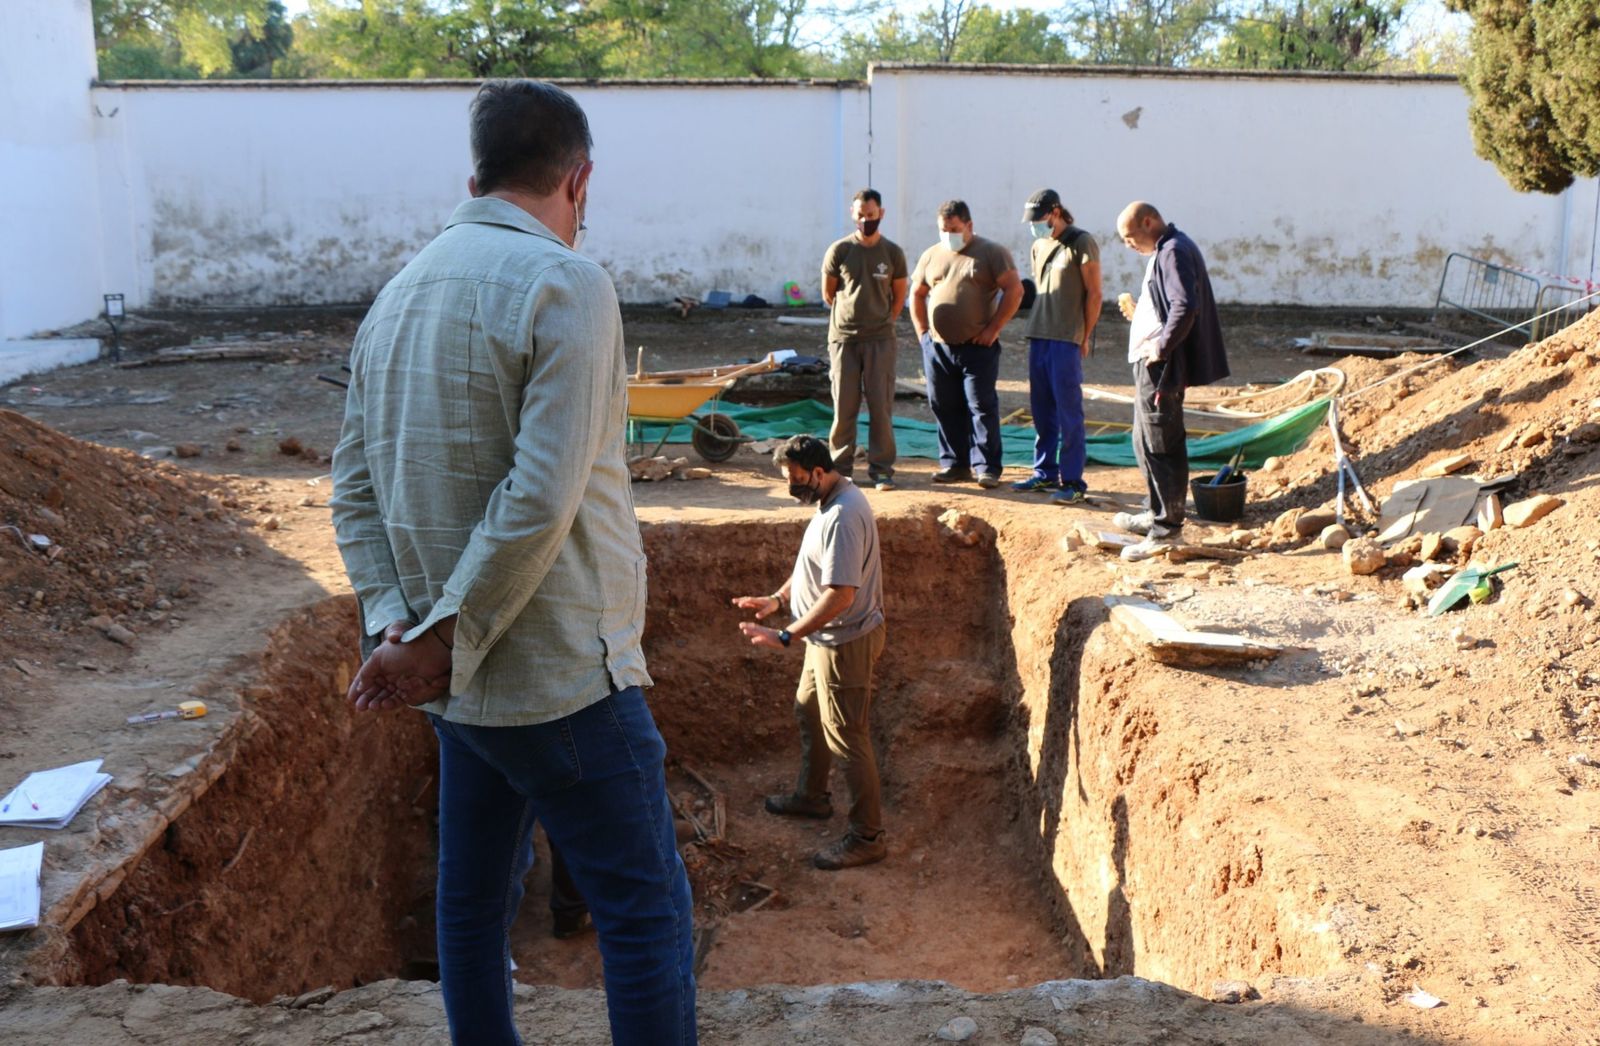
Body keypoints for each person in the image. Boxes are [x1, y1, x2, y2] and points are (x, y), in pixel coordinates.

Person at [330, 80, 696, 1046]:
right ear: (579, 180)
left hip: (453, 687)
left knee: (472, 907)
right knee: (645, 915)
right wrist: (443, 637)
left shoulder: (397, 295)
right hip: (562, 672)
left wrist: (396, 631)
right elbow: (541, 496)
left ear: (476, 177)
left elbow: (353, 488)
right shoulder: (569, 284)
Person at [731, 435, 888, 871]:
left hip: (845, 642)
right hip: (826, 639)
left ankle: (867, 836)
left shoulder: (843, 515)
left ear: (819, 472)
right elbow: (811, 570)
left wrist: (786, 635)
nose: (791, 488)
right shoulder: (826, 504)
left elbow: (839, 594)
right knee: (807, 709)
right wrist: (777, 601)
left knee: (847, 737)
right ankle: (813, 797)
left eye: (796, 480)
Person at [1113, 201, 1230, 562]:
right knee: (1143, 439)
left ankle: (1167, 530)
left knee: (1161, 441)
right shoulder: (1166, 250)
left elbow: (1185, 306)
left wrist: (1161, 348)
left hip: (1160, 366)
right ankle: (1154, 511)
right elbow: (1167, 305)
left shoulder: (1174, 250)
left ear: (1149, 222)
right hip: (1149, 363)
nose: (1129, 244)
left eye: (1131, 236)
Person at [910, 200, 1024, 488]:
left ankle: (986, 467)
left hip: (977, 348)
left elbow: (1015, 289)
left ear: (969, 226)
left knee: (981, 405)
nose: (948, 235)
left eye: (954, 229)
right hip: (937, 348)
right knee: (944, 405)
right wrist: (923, 332)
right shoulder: (932, 255)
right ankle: (954, 464)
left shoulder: (991, 253)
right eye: (943, 229)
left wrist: (994, 328)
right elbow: (917, 293)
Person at [1011, 188, 1102, 506]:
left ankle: (1074, 480)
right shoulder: (1039, 245)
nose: (1036, 225)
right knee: (1041, 410)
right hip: (1039, 335)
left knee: (1069, 413)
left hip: (1067, 339)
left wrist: (1085, 335)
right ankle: (1045, 472)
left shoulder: (1081, 243)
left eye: (1040, 219)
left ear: (1056, 212)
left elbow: (1094, 294)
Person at [822, 188, 908, 491]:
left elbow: (899, 296)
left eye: (870, 215)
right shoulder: (839, 251)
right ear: (852, 213)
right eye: (860, 215)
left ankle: (882, 470)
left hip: (880, 340)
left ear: (881, 214)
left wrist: (883, 320)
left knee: (880, 406)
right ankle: (841, 470)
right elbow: (828, 293)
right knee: (844, 406)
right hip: (844, 339)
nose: (865, 220)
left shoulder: (893, 253)